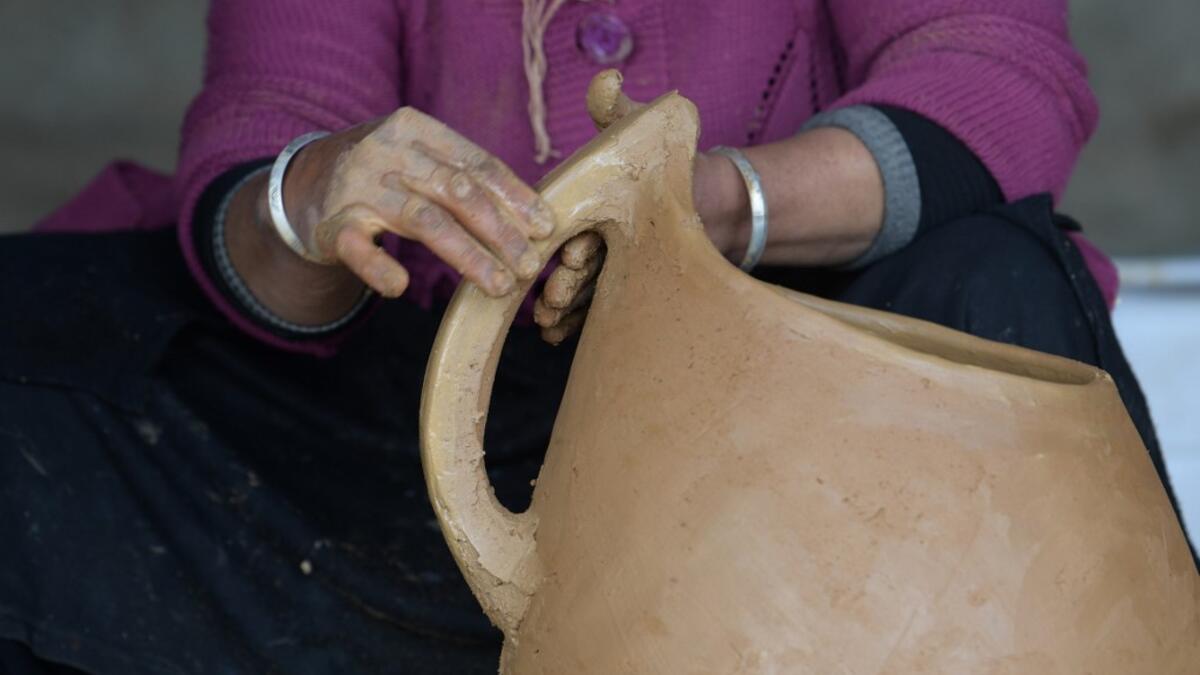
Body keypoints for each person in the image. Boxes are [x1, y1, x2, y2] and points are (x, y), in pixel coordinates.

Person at [1, 1, 1191, 673]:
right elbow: (269, 130)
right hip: (421, 451)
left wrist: (706, 208)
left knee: (995, 289)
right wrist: (315, 199)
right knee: (41, 336)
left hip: (801, 442)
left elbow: (993, 70)